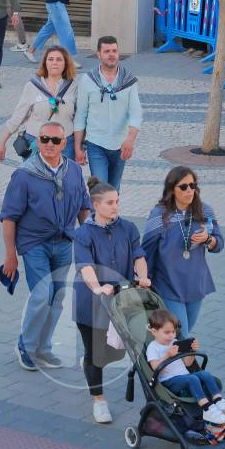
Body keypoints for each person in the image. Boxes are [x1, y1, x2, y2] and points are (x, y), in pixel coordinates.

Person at [0, 120, 91, 371]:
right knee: (42, 294)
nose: (49, 144)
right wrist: (10, 255)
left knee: (58, 297)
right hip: (34, 243)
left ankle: (43, 348)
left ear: (64, 143)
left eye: (55, 140)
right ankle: (26, 346)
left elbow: (84, 207)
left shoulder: (74, 171)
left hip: (64, 243)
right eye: (44, 139)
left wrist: (90, 242)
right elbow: (9, 217)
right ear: (37, 141)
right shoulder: (24, 175)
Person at [72, 177, 151, 424]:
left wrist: (143, 276)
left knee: (119, 351)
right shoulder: (83, 234)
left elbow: (138, 256)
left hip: (122, 300)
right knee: (94, 353)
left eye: (117, 201)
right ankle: (99, 400)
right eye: (109, 203)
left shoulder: (128, 228)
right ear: (96, 205)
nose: (115, 206)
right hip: (91, 302)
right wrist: (97, 287)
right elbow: (85, 267)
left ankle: (93, 363)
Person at [141, 166, 223, 338]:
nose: (189, 190)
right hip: (168, 285)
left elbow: (219, 244)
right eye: (183, 187)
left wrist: (208, 239)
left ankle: (157, 353)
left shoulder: (204, 211)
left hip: (195, 284)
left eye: (192, 185)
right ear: (172, 189)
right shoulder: (159, 215)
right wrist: (144, 280)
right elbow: (146, 251)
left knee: (182, 332)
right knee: (180, 335)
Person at [74, 36, 143, 190]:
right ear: (99, 54)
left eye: (114, 51)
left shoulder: (129, 81)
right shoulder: (88, 80)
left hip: (120, 144)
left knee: (114, 190)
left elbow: (136, 113)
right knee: (100, 189)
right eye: (107, 51)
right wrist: (78, 147)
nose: (111, 55)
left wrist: (130, 139)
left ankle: (111, 207)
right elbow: (81, 114)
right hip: (96, 143)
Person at [146, 309, 225, 426]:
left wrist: (191, 351)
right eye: (167, 332)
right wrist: (167, 355)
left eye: (173, 331)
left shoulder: (175, 342)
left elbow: (187, 363)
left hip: (185, 377)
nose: (171, 335)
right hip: (169, 381)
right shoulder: (153, 347)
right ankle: (207, 409)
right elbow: (156, 369)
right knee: (192, 379)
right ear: (154, 331)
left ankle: (218, 401)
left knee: (205, 374)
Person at [0, 46, 77, 162]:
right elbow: (18, 116)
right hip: (37, 142)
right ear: (45, 63)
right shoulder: (33, 86)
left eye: (59, 59)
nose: (54, 63)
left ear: (66, 63)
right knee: (35, 174)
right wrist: (2, 142)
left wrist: (80, 146)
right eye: (50, 59)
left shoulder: (73, 87)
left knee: (64, 174)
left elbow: (79, 119)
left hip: (65, 144)